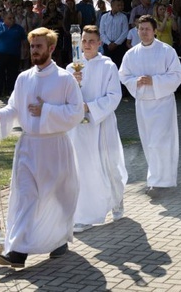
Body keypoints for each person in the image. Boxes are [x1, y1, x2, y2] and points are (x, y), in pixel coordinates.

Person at [0, 27, 85, 268]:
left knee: (56, 198)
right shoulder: (23, 78)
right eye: (32, 46)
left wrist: (47, 111)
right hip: (29, 147)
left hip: (55, 147)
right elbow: (15, 108)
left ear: (51, 48)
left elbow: (77, 112)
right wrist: (0, 114)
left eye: (39, 46)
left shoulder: (65, 79)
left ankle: (58, 240)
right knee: (25, 197)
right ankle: (17, 252)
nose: (34, 51)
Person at [66, 25, 127, 232]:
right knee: (83, 168)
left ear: (99, 43)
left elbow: (114, 96)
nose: (87, 44)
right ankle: (86, 213)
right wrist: (73, 85)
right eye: (84, 40)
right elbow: (64, 96)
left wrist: (89, 108)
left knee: (108, 165)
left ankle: (117, 200)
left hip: (101, 123)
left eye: (92, 41)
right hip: (79, 129)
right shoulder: (71, 68)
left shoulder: (108, 66)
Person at [119, 15, 181, 196]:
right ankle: (156, 178)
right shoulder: (131, 54)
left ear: (154, 30)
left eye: (147, 29)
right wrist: (136, 81)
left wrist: (154, 81)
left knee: (161, 142)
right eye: (141, 29)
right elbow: (123, 76)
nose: (144, 32)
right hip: (143, 104)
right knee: (148, 142)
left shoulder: (166, 51)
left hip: (163, 103)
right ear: (137, 30)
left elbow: (177, 76)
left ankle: (161, 181)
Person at [0, 11, 26, 98]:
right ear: (4, 19)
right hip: (0, 54)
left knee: (12, 73)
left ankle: (11, 90)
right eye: (9, 18)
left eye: (13, 18)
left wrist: (25, 51)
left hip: (14, 54)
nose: (12, 20)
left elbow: (24, 41)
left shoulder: (19, 28)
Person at [99, 0, 129, 67]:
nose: (120, 7)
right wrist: (109, 43)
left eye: (121, 5)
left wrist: (115, 44)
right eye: (118, 5)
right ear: (112, 5)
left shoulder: (123, 17)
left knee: (118, 65)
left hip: (119, 46)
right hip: (107, 45)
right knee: (107, 65)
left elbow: (125, 32)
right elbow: (102, 32)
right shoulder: (104, 17)